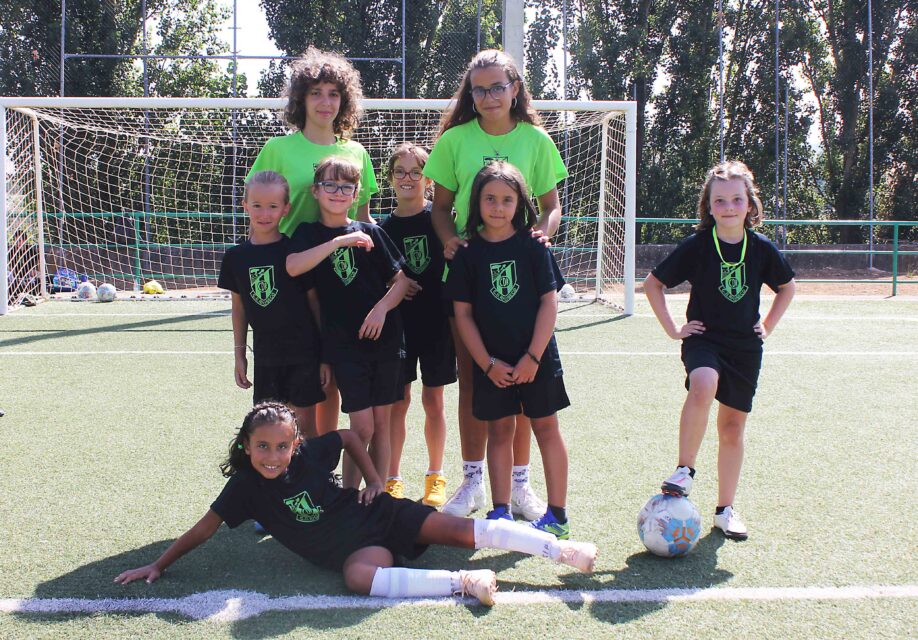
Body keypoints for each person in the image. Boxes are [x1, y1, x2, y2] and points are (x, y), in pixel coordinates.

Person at [114, 402, 597, 606]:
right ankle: (465, 583)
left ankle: (561, 552)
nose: (273, 456)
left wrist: (374, 480)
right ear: (245, 447)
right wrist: (159, 563)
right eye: (262, 447)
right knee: (357, 579)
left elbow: (347, 434)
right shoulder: (244, 487)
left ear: (295, 445)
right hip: (355, 550)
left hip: (378, 514)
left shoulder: (306, 453)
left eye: (282, 447)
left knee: (459, 531)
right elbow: (204, 528)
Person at [424, 49, 568, 520]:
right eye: (479, 89)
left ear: (515, 90)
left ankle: (521, 486)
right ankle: (472, 483)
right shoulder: (453, 141)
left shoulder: (537, 141)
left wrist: (545, 231)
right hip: (469, 281)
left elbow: (551, 207)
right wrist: (449, 243)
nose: (488, 96)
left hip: (522, 284)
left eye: (497, 87)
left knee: (524, 382)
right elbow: (440, 209)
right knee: (475, 380)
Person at [644, 160, 796, 540]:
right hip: (704, 338)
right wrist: (674, 329)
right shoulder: (697, 246)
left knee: (732, 428)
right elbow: (653, 284)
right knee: (703, 383)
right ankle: (684, 471)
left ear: (750, 205)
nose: (728, 207)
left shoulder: (761, 249)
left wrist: (768, 325)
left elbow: (787, 287)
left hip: (745, 347)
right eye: (720, 201)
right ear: (708, 207)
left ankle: (725, 510)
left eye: (736, 200)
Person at [248, 46, 379, 435]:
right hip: (291, 276)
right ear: (300, 98)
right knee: (297, 381)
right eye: (316, 92)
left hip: (340, 278)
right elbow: (258, 214)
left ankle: (322, 468)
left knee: (333, 373)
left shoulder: (354, 152)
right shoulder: (277, 149)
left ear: (345, 100)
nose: (325, 102)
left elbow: (363, 219)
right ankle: (294, 464)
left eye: (334, 93)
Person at [446, 162, 573, 539]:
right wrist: (486, 364)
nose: (498, 207)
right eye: (489, 198)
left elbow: (549, 304)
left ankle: (558, 516)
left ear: (520, 203)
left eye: (506, 199)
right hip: (493, 364)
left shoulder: (534, 246)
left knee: (546, 428)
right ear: (476, 202)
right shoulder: (468, 254)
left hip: (537, 359)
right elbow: (463, 315)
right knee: (499, 431)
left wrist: (533, 357)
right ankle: (500, 513)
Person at [285, 157, 410, 490]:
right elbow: (294, 266)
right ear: (315, 190)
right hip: (344, 346)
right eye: (330, 184)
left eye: (346, 187)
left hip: (385, 341)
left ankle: (377, 497)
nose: (338, 192)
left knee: (381, 426)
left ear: (356, 194)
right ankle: (351, 496)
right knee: (362, 428)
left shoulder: (372, 232)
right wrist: (340, 241)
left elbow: (400, 282)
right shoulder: (308, 233)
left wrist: (381, 310)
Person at [217, 170, 325, 438]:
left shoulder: (295, 254)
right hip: (266, 356)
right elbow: (239, 308)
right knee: (268, 427)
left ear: (286, 209)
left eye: (273, 207)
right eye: (257, 206)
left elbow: (314, 304)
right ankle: (272, 480)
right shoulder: (235, 257)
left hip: (304, 353)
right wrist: (239, 354)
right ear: (245, 206)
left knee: (305, 427)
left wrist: (325, 355)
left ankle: (311, 478)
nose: (264, 213)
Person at [378, 143, 456, 507]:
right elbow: (380, 279)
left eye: (415, 171)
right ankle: (393, 478)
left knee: (434, 399)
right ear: (390, 177)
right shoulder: (383, 229)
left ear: (428, 178)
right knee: (399, 401)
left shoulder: (440, 220)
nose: (407, 179)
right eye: (400, 172)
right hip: (400, 327)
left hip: (437, 323)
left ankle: (435, 475)